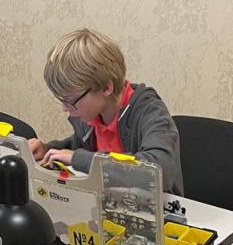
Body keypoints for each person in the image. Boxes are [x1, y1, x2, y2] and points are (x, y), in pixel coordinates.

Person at [28, 28, 184, 195]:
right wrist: (48, 150)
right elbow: (77, 146)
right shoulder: (92, 115)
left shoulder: (149, 111)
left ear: (105, 88)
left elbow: (159, 170)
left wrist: (77, 159)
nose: (65, 108)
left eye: (70, 100)